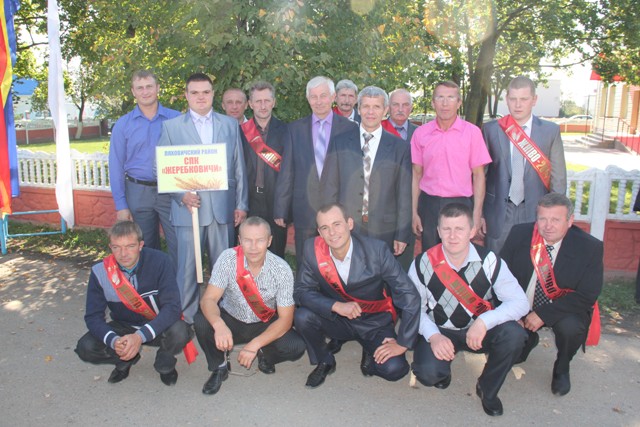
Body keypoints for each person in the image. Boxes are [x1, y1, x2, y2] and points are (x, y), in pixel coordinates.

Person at [408, 203, 528, 416]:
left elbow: (520, 302)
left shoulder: (490, 261)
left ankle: (487, 388)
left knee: (514, 335)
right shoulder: (422, 263)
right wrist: (434, 336)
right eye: (447, 229)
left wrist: (484, 322)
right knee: (428, 374)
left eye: (459, 229)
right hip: (442, 329)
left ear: (472, 231)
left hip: (479, 330)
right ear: (438, 231)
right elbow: (413, 309)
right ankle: (442, 370)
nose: (452, 236)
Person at [294, 203, 420, 388]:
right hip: (338, 319)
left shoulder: (376, 250)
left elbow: (409, 294)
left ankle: (369, 348)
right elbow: (301, 291)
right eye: (325, 228)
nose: (332, 233)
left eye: (337, 224)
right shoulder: (312, 249)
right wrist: (336, 306)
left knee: (395, 369)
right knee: (302, 316)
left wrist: (402, 343)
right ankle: (325, 360)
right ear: (319, 232)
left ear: (350, 224)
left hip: (373, 322)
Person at [157, 72, 248, 324]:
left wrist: (241, 204)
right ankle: (185, 319)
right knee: (186, 269)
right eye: (194, 93)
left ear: (212, 94)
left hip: (221, 210)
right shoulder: (172, 127)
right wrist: (180, 195)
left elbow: (239, 167)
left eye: (205, 92)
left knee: (224, 268)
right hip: (188, 211)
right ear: (186, 96)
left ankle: (224, 316)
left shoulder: (229, 124)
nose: (200, 97)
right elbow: (160, 168)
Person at [501, 193, 603, 396]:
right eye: (542, 219)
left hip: (562, 309)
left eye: (555, 220)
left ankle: (562, 367)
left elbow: (587, 294)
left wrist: (543, 314)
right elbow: (500, 276)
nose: (548, 226)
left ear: (570, 220)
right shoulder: (520, 233)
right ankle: (527, 340)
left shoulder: (590, 247)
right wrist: (512, 311)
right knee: (509, 342)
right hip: (523, 304)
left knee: (571, 327)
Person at [194, 216, 306, 395]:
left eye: (260, 240)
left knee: (295, 346)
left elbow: (286, 320)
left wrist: (255, 344)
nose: (253, 247)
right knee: (201, 320)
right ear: (239, 240)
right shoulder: (228, 259)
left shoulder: (281, 269)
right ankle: (219, 367)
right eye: (247, 240)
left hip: (264, 322)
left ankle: (264, 353)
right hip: (232, 318)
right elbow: (208, 299)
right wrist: (219, 325)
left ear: (269, 241)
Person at [75, 221, 191, 386]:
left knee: (181, 331)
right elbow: (93, 317)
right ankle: (125, 358)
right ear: (110, 247)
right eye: (117, 247)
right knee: (85, 347)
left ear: (140, 245)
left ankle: (164, 364)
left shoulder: (160, 261)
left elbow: (172, 307)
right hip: (124, 325)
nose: (123, 254)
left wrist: (139, 336)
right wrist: (115, 341)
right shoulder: (100, 271)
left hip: (157, 325)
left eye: (130, 246)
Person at [274, 76, 359, 267]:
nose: (318, 101)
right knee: (305, 260)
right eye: (314, 97)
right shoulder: (294, 129)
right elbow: (287, 171)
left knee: (337, 262)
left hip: (338, 208)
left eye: (323, 96)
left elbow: (354, 174)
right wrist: (281, 208)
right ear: (308, 99)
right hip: (304, 208)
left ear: (333, 97)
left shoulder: (350, 129)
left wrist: (352, 209)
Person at [324, 85, 411, 258]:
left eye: (376, 107)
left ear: (385, 110)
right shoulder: (340, 142)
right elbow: (330, 187)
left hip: (384, 228)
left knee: (378, 272)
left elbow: (404, 194)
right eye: (366, 106)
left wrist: (402, 233)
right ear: (359, 108)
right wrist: (330, 224)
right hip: (346, 225)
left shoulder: (399, 147)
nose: (370, 112)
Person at [483, 76, 567, 252]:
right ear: (507, 99)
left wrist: (555, 215)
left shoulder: (550, 131)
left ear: (534, 100)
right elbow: (481, 175)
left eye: (524, 99)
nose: (518, 105)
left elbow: (558, 178)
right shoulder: (491, 130)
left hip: (535, 211)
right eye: (513, 99)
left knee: (529, 264)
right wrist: (480, 214)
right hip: (498, 212)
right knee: (495, 263)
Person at [108, 70, 180, 267]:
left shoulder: (176, 119)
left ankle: (178, 285)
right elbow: (115, 166)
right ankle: (150, 285)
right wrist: (121, 205)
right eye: (140, 88)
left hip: (172, 191)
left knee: (179, 244)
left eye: (149, 86)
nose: (145, 91)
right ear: (133, 91)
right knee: (144, 246)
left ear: (158, 88)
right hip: (138, 192)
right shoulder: (123, 125)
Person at [411, 81, 491, 251]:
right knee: (430, 256)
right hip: (429, 204)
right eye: (440, 97)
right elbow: (416, 174)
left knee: (458, 255)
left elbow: (478, 176)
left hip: (460, 203)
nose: (445, 103)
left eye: (451, 97)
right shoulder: (421, 133)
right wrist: (414, 212)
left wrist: (477, 213)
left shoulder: (472, 133)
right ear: (433, 102)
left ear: (459, 102)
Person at [240, 81, 291, 258]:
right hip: (249, 200)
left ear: (274, 102)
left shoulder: (287, 131)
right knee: (249, 252)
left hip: (276, 201)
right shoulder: (240, 132)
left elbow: (289, 173)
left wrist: (283, 208)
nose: (263, 106)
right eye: (258, 101)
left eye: (267, 101)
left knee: (276, 252)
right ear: (250, 103)